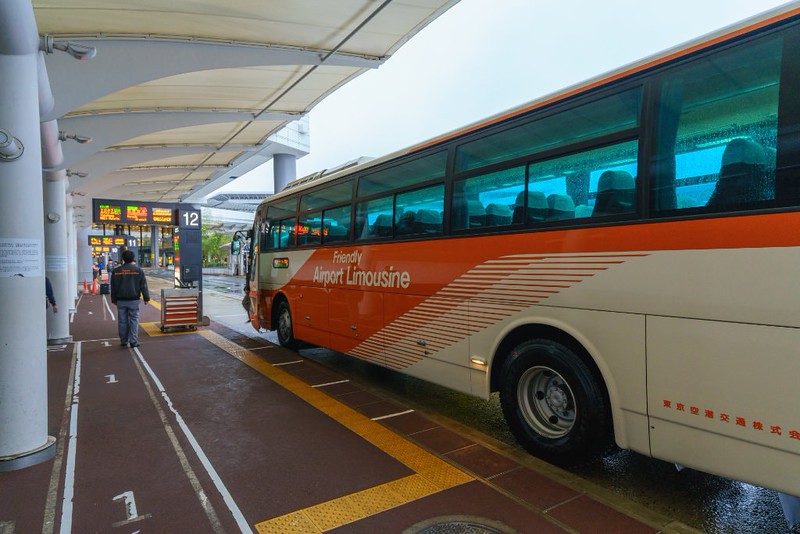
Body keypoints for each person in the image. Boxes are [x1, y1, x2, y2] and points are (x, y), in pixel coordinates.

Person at [110, 250, 150, 348]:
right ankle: (133, 341)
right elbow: (143, 285)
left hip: (121, 300)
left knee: (122, 320)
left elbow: (113, 287)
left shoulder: (116, 271)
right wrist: (146, 298)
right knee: (134, 320)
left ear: (123, 259)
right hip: (134, 300)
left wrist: (113, 299)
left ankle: (123, 340)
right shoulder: (138, 270)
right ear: (133, 258)